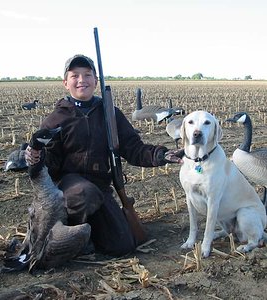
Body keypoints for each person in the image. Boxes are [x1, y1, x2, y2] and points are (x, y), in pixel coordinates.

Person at [25, 54, 183, 257]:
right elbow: (51, 164)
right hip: (68, 187)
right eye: (75, 76)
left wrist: (161, 155)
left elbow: (133, 148)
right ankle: (65, 231)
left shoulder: (110, 113)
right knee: (84, 193)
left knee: (123, 246)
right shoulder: (56, 119)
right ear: (66, 83)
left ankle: (90, 234)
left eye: (87, 75)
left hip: (100, 187)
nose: (82, 80)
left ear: (96, 81)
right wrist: (36, 158)